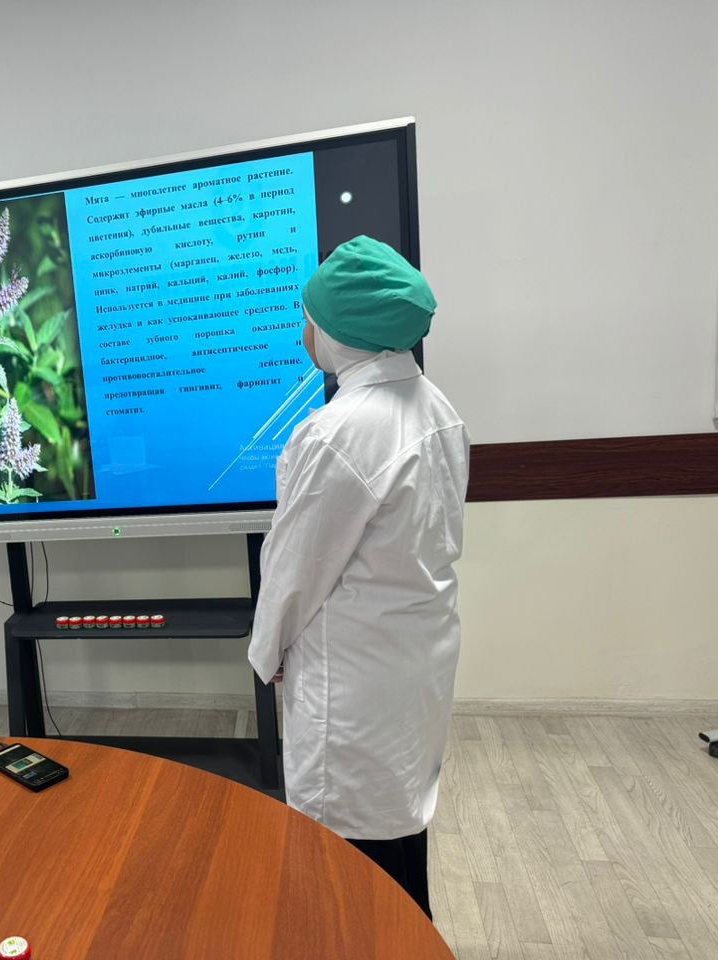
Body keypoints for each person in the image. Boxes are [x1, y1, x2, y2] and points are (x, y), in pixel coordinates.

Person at [247, 236, 469, 918]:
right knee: (398, 825)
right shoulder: (436, 408)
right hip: (411, 664)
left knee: (345, 860)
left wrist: (267, 651)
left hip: (351, 682)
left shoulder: (338, 432)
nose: (303, 331)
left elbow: (296, 569)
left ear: (341, 332)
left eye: (309, 318)